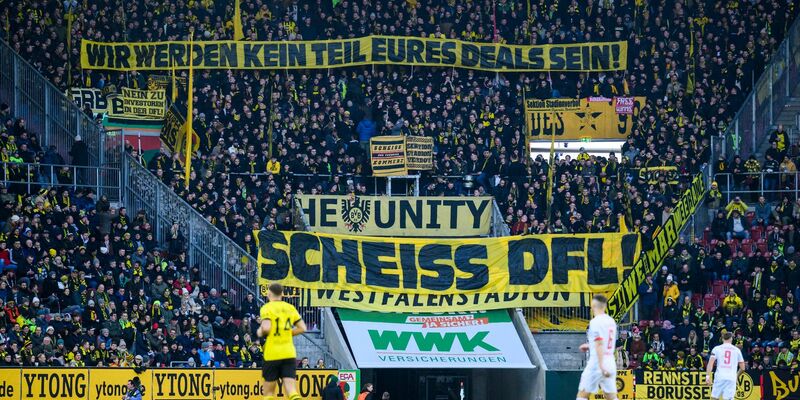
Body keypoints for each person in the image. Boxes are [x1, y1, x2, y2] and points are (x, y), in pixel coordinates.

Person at [257, 283, 307, 400]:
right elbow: (303, 328)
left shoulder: (267, 308)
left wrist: (260, 332)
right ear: (282, 294)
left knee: (269, 393)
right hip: (288, 353)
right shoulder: (290, 308)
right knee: (291, 390)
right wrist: (288, 333)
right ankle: (295, 397)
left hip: (272, 353)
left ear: (269, 294)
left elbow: (266, 328)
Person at [577, 294, 618, 400]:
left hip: (597, 363)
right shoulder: (611, 321)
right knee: (611, 397)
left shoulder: (595, 321)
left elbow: (599, 343)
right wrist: (590, 345)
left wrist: (601, 366)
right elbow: (604, 340)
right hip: (610, 361)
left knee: (582, 395)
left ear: (593, 306)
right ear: (605, 306)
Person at [706, 331, 745, 400]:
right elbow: (743, 368)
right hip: (731, 377)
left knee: (714, 398)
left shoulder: (716, 349)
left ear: (722, 339)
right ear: (731, 339)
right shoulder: (737, 350)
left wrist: (707, 376)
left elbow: (710, 364)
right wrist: (736, 376)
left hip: (719, 376)